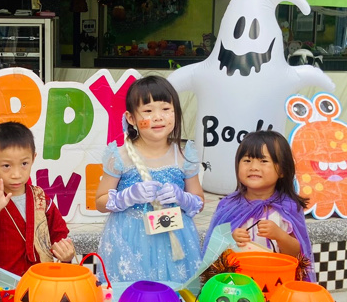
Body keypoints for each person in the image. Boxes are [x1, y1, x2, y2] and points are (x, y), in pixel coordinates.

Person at [96, 76, 204, 283]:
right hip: (129, 240)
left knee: (173, 296)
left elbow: (199, 200)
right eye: (148, 111)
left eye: (166, 109)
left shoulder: (184, 156)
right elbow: (100, 202)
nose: (158, 117)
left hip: (176, 239)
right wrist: (126, 197)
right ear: (131, 118)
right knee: (132, 295)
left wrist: (182, 198)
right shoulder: (119, 156)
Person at [0, 122, 75, 277]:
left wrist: (66, 253)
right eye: (6, 166)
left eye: (24, 164)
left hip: (36, 281)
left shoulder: (41, 199)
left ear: (33, 158)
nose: (16, 174)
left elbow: (60, 239)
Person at [203, 130, 315, 281]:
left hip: (276, 281)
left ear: (282, 170)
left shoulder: (288, 208)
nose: (254, 167)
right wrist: (230, 239)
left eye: (263, 161)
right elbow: (212, 251)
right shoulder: (229, 206)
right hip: (238, 283)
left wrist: (280, 235)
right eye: (247, 160)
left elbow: (297, 254)